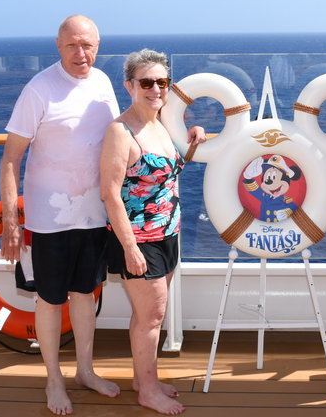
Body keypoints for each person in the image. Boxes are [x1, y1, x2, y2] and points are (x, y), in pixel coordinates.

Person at [0, 14, 122, 415]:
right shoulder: (39, 89)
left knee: (85, 295)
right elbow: (10, 159)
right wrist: (11, 225)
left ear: (98, 45)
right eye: (72, 45)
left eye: (87, 45)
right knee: (50, 301)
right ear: (58, 45)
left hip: (93, 214)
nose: (80, 53)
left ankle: (84, 370)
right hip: (49, 219)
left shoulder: (104, 83)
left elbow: (122, 139)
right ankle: (54, 381)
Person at [100, 49, 205, 416]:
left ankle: (145, 378)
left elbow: (166, 172)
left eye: (162, 82)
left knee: (148, 315)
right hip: (139, 240)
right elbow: (110, 193)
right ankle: (147, 390)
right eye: (146, 82)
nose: (156, 89)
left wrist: (191, 140)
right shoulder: (120, 131)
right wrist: (130, 249)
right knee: (152, 316)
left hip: (168, 233)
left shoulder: (162, 123)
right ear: (129, 85)